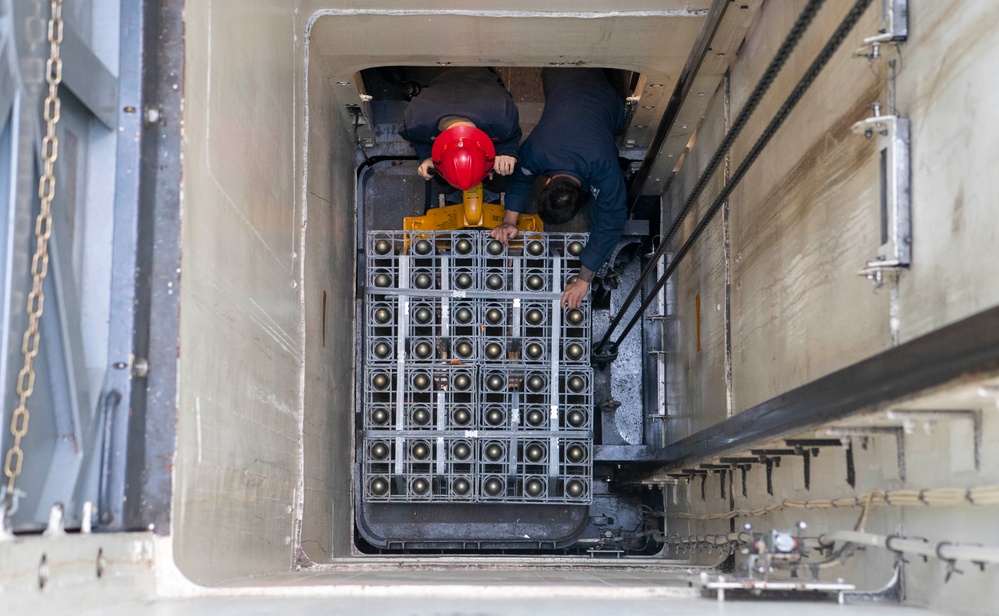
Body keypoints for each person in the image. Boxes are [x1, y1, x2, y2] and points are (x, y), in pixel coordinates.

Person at [490, 68, 626, 309]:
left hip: (567, 77)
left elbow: (610, 221)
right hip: (560, 74)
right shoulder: (537, 150)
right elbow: (519, 177)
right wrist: (509, 221)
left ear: (547, 181)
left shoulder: (604, 166)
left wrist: (584, 280)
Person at [399, 68, 521, 190]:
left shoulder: (503, 120)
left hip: (484, 79)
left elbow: (514, 133)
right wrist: (427, 157)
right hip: (449, 83)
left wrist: (507, 151)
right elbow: (416, 139)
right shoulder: (414, 125)